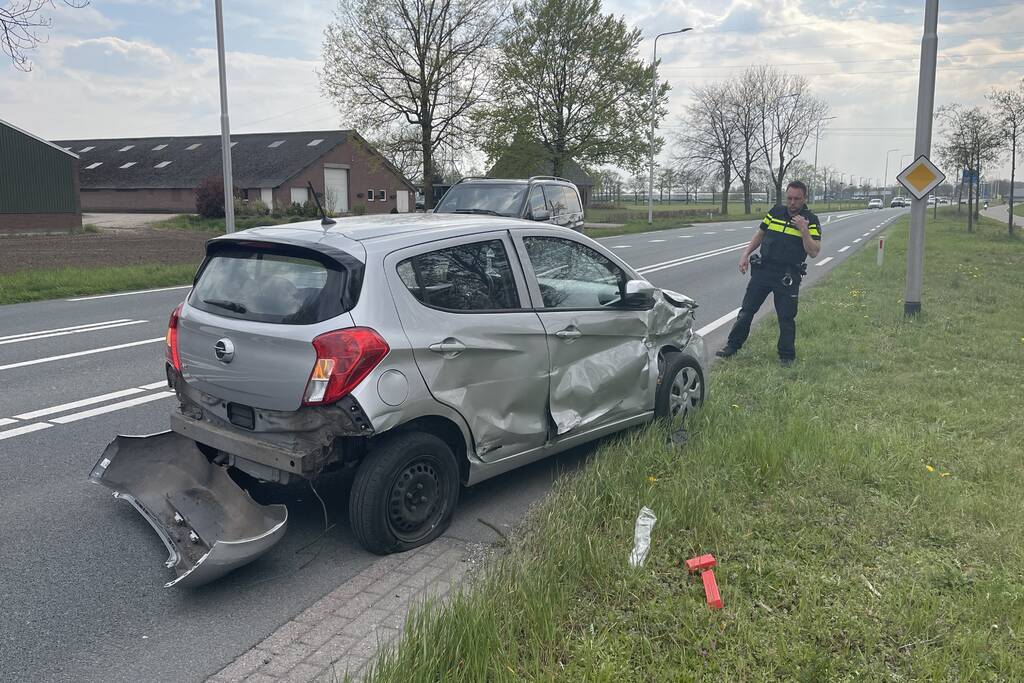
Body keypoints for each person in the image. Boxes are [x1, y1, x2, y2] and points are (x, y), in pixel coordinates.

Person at [715, 180, 821, 367]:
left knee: (786, 317)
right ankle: (732, 346)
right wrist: (745, 254)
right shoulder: (775, 212)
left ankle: (786, 357)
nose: (792, 202)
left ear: (804, 198)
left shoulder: (810, 220)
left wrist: (804, 231)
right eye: (789, 198)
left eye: (797, 199)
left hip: (788, 276)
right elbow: (760, 234)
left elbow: (814, 252)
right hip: (764, 271)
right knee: (746, 311)